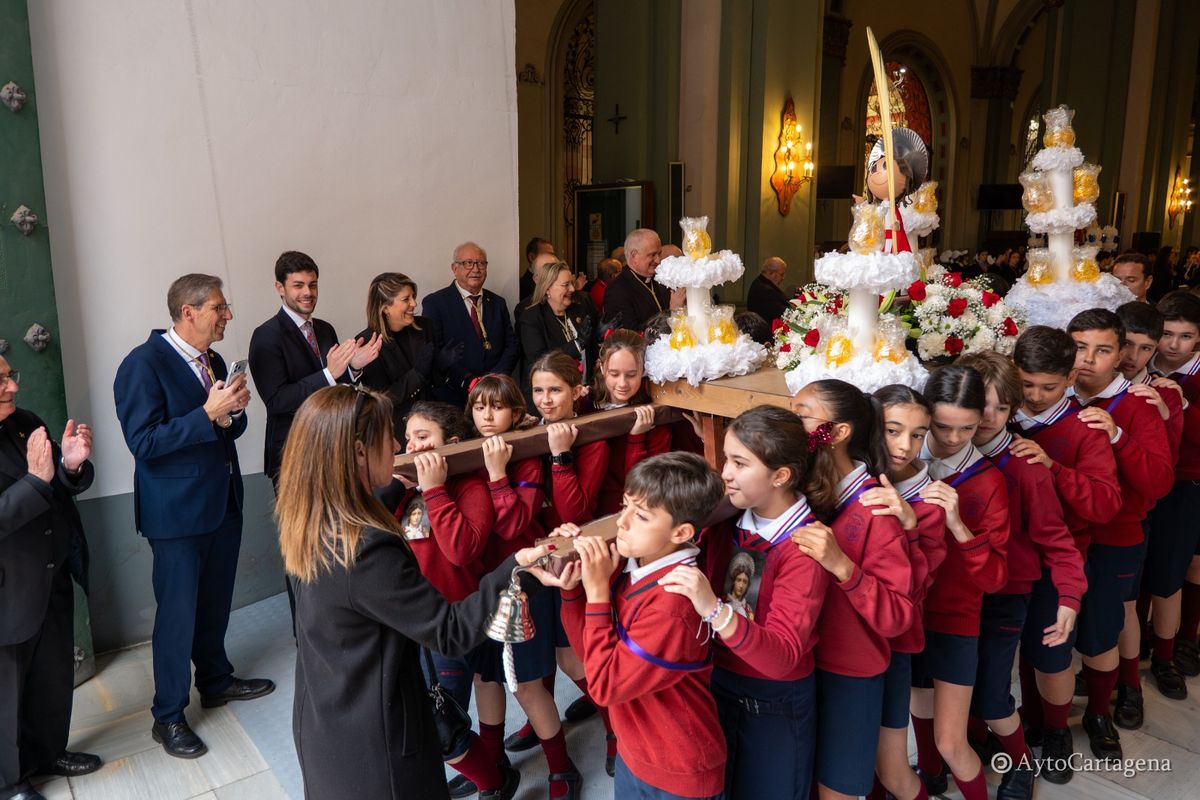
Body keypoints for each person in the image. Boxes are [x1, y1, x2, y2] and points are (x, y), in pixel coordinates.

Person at [277, 385, 549, 800]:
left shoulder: (313, 520)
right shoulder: (365, 547)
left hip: (326, 719)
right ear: (359, 452)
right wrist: (517, 565)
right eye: (389, 435)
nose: (399, 445)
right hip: (378, 741)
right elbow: (451, 631)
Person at [114, 274, 274, 760]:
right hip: (176, 515)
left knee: (215, 602)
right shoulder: (142, 365)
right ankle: (168, 716)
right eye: (219, 309)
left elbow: (225, 428)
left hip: (222, 501)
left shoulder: (215, 360)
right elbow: (143, 444)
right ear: (189, 311)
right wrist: (207, 413)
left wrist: (232, 412)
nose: (227, 316)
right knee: (177, 616)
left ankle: (217, 680)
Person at [539, 452, 727, 800]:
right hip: (636, 752)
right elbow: (592, 659)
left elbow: (605, 687)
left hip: (680, 768)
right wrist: (573, 593)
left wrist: (596, 594)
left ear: (681, 532)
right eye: (624, 506)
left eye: (640, 516)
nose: (621, 522)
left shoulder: (674, 601)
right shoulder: (635, 566)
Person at [662, 407, 826, 799]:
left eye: (739, 463)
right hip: (721, 682)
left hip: (773, 703)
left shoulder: (803, 548)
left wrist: (714, 610)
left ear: (781, 475)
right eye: (725, 459)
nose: (726, 473)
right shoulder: (732, 519)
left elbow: (783, 656)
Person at [957, 351, 1083, 800]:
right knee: (957, 685)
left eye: (1002, 407)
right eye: (980, 405)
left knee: (993, 693)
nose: (989, 417)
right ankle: (969, 745)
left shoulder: (1026, 465)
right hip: (956, 593)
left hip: (1007, 593)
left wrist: (1069, 597)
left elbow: (1056, 539)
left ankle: (1023, 763)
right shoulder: (943, 452)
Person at [791, 380, 916, 800]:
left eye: (802, 415)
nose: (792, 425)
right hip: (805, 663)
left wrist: (844, 567)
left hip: (850, 673)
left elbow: (899, 615)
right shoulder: (803, 490)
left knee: (838, 789)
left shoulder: (874, 509)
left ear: (838, 432)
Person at [1009, 325, 1120, 784]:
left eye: (1048, 387)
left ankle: (1056, 730)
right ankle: (1028, 720)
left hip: (1062, 555)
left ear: (1070, 377)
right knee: (1016, 649)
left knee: (1054, 651)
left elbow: (1105, 503)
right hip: (1010, 554)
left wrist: (1054, 468)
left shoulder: (1085, 427)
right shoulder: (1001, 414)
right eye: (1026, 384)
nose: (1034, 396)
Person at [1066, 309, 1173, 761]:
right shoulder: (1054, 396)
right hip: (1065, 537)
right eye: (1079, 347)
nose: (1088, 359)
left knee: (1102, 628)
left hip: (1116, 536)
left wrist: (1117, 437)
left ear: (1120, 355)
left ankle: (1100, 713)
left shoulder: (1137, 404)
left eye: (1102, 349)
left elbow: (1158, 482)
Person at [906, 367, 1010, 800]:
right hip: (909, 614)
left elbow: (995, 577)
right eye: (942, 426)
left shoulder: (988, 482)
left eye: (967, 428)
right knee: (920, 712)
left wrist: (959, 527)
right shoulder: (903, 461)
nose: (952, 438)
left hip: (955, 619)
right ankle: (929, 778)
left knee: (951, 741)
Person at [0, 358, 100, 800]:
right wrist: (39, 481)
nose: (12, 387)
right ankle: (9, 782)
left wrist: (71, 468)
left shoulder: (25, 422)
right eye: (0, 380)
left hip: (50, 573)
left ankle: (47, 753)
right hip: (8, 588)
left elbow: (56, 482)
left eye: (10, 375)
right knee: (5, 694)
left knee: (52, 676)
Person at [862, 386, 947, 800]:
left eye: (917, 435)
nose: (904, 445)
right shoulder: (849, 481)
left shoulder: (929, 500)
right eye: (892, 430)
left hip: (893, 645)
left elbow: (921, 581)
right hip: (848, 643)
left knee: (892, 766)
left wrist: (910, 525)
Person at [249, 250, 382, 482]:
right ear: (280, 288)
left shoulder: (324, 329)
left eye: (313, 284)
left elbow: (335, 384)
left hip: (333, 446)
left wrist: (353, 368)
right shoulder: (266, 336)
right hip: (293, 453)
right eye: (298, 285)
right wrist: (329, 374)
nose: (308, 292)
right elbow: (277, 401)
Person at [1145, 291, 1200, 701]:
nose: (1174, 345)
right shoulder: (1140, 364)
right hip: (1143, 482)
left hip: (1185, 484)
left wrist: (1180, 406)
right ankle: (1139, 646)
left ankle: (1166, 654)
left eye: (1186, 336)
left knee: (1169, 572)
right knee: (1138, 570)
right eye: (1166, 334)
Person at [422, 242, 519, 407]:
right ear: (454, 268)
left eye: (481, 263)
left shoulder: (497, 303)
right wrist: (469, 381)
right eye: (468, 263)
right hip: (454, 397)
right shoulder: (435, 303)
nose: (475, 269)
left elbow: (511, 345)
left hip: (496, 395)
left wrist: (494, 379)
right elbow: (435, 352)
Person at [590, 330, 671, 515]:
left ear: (644, 370)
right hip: (595, 511)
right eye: (614, 373)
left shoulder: (656, 415)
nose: (622, 383)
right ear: (602, 368)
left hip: (639, 509)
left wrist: (637, 437)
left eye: (631, 374)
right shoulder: (586, 405)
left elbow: (646, 483)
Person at [357, 272, 449, 432]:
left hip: (433, 420)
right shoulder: (367, 343)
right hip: (398, 429)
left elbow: (433, 381)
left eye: (413, 297)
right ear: (385, 308)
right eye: (406, 299)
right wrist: (417, 375)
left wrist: (442, 366)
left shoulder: (424, 327)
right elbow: (383, 399)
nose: (414, 303)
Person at [518, 262, 597, 394]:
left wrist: (599, 336)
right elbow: (540, 360)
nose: (572, 289)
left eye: (572, 283)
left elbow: (590, 349)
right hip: (549, 396)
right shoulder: (531, 317)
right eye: (566, 285)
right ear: (547, 288)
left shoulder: (578, 310)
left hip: (582, 391)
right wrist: (577, 345)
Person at [603, 229, 669, 331]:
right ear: (634, 256)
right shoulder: (617, 290)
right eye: (652, 255)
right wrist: (672, 312)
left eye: (659, 254)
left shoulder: (660, 281)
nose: (658, 260)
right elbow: (630, 336)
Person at [746, 257, 790, 323]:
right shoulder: (764, 290)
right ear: (771, 273)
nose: (783, 278)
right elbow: (784, 314)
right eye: (781, 274)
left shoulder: (761, 282)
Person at [521, 237, 556, 301]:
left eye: (553, 255)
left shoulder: (555, 280)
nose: (553, 259)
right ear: (531, 257)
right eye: (547, 255)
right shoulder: (523, 286)